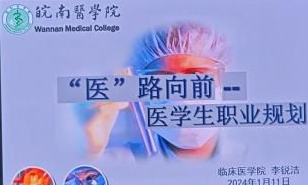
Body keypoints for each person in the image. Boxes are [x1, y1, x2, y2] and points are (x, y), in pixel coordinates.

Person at [83, 21, 229, 160]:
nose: (181, 95)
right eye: (162, 78)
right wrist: (91, 153)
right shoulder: (118, 160)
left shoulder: (242, 158)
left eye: (195, 75)